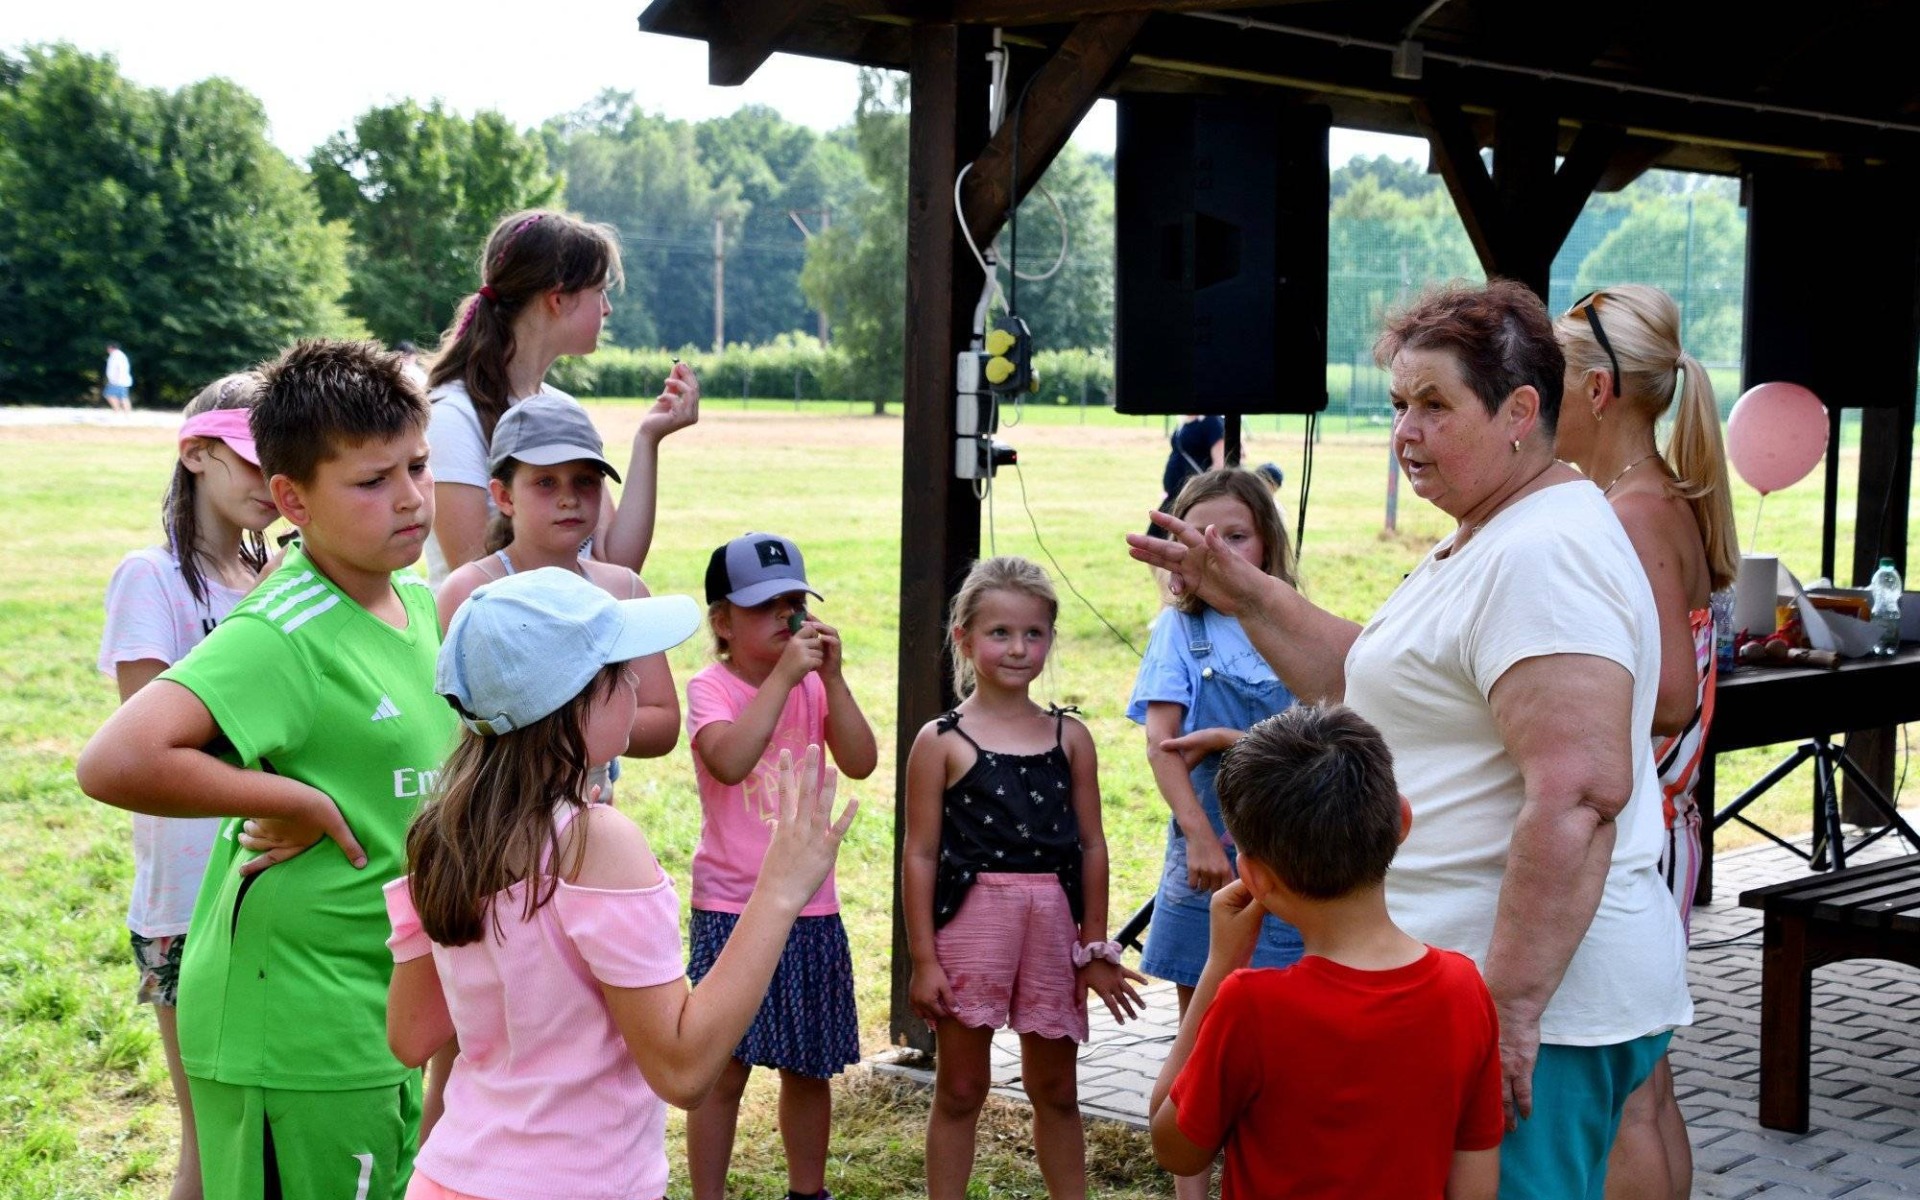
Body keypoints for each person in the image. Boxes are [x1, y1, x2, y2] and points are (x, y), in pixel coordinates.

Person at [1130, 280, 1692, 1200]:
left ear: (1520, 412)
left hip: (1533, 1011)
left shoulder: (1541, 554)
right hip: (1488, 1001)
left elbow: (1581, 796)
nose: (1406, 432)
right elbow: (1381, 682)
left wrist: (1507, 1014)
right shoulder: (1497, 529)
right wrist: (1244, 590)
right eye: (1399, 404)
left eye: (1435, 405)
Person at [77, 340, 456, 1200]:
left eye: (420, 466)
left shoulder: (419, 605)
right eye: (370, 481)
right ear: (291, 499)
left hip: (377, 1006)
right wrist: (295, 797)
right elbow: (115, 759)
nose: (410, 498)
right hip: (293, 1025)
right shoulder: (283, 628)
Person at [385, 568, 858, 1200]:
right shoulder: (596, 843)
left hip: (452, 1176)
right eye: (618, 671)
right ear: (571, 703)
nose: (636, 683)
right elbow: (684, 1069)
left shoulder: (445, 833)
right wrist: (779, 889)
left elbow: (411, 1035)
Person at [423, 394, 685, 1140]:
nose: (570, 498)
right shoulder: (469, 592)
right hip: (489, 834)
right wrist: (555, 725)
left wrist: (573, 731)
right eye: (546, 482)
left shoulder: (621, 591)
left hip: (580, 840)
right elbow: (454, 729)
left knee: (575, 1013)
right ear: (502, 494)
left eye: (585, 481)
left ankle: (566, 1143)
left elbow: (662, 721)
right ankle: (443, 1163)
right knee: (467, 1034)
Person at [1149, 703, 1504, 1200]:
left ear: (1253, 877)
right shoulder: (1464, 986)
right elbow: (1475, 1183)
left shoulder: (1251, 1005)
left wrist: (1219, 965)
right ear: (1401, 821)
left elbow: (1174, 1149)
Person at [1556, 284, 1738, 1200]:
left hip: (1640, 836)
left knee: (1626, 1093)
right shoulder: (1660, 498)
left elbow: (1668, 695)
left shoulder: (1627, 514)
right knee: (1647, 1085)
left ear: (1597, 393)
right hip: (1668, 827)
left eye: (1551, 377)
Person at [903, 555, 1147, 1200]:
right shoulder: (940, 739)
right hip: (969, 929)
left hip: (1051, 929)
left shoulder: (1071, 737)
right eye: (1000, 633)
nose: (1018, 648)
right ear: (964, 638)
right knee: (960, 1089)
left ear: (1050, 638)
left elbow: (1093, 844)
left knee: (1057, 1091)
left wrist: (1095, 948)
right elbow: (920, 854)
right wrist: (924, 960)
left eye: (1033, 634)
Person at [95, 372, 278, 1200]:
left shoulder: (271, 573)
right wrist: (265, 614)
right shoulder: (152, 576)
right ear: (198, 454)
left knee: (274, 1135)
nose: (272, 481)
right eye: (253, 459)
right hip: (189, 899)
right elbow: (150, 742)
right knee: (212, 1147)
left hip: (273, 887)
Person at [1124, 467, 1303, 1200]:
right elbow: (1163, 745)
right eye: (1204, 538)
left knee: (1284, 1031)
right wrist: (1199, 837)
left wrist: (1237, 733)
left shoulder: (1291, 621)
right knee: (1201, 1031)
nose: (1220, 551)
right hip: (1208, 858)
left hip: (1289, 858)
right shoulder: (1180, 631)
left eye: (1237, 536)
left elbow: (1318, 728)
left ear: (1265, 546)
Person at [683, 532, 880, 1200]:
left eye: (795, 601)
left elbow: (861, 759)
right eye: (767, 605)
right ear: (722, 623)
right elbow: (729, 760)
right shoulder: (711, 687)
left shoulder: (813, 687)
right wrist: (787, 679)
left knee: (808, 1066)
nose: (787, 617)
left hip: (808, 902)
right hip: (730, 905)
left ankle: (808, 1190)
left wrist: (832, 677)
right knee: (721, 1066)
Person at [421, 208, 699, 583]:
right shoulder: (454, 416)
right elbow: (477, 585)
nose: (607, 308)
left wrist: (648, 438)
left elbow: (617, 564)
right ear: (558, 300)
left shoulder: (562, 409)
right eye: (599, 291)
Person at [1147, 414, 1225, 536]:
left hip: (1193, 496)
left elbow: (1219, 464)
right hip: (1175, 496)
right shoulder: (1184, 422)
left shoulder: (1211, 421)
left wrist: (1206, 493)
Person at [104, 341, 134, 413]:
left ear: (111, 348)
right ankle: (123, 413)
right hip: (119, 380)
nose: (107, 349)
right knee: (121, 397)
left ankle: (119, 411)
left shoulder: (116, 355)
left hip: (118, 380)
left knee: (110, 395)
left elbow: (119, 368)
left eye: (108, 348)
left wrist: (116, 379)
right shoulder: (118, 355)